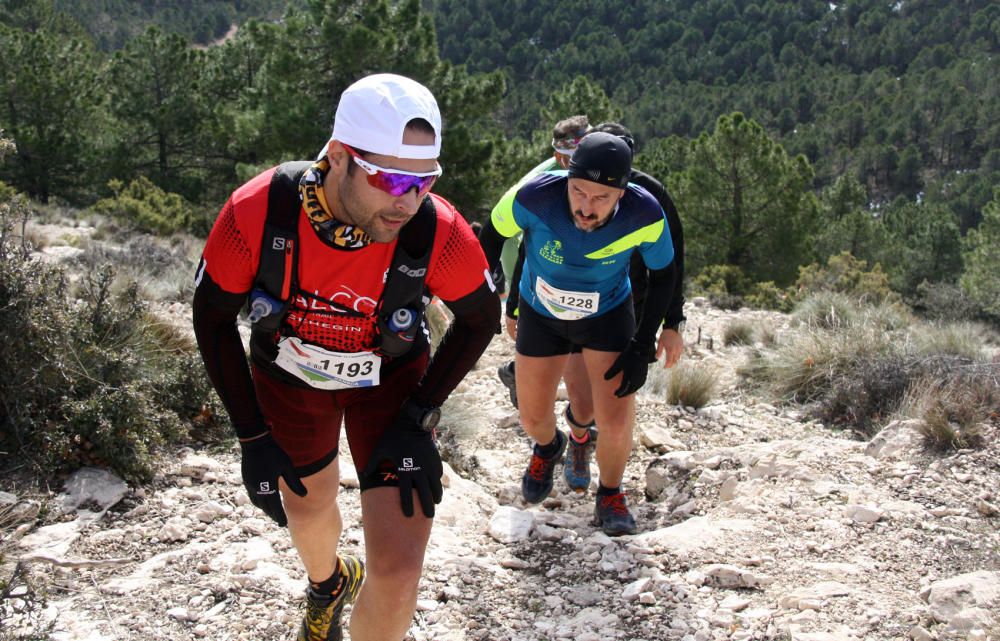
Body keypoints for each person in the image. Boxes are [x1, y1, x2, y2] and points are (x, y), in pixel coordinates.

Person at [192, 73, 499, 641]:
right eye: (389, 177)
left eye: (424, 181)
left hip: (390, 386)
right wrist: (251, 437)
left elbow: (482, 318)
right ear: (337, 157)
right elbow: (211, 317)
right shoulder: (259, 212)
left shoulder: (438, 230)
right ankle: (329, 584)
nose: (407, 201)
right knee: (307, 514)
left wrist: (421, 413)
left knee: (400, 572)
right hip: (289, 379)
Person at [478, 132, 677, 536]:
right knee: (533, 416)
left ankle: (610, 494)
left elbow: (665, 274)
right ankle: (549, 447)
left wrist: (643, 344)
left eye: (601, 197)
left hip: (606, 316)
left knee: (617, 419)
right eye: (579, 191)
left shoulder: (645, 212)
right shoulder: (533, 196)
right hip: (542, 314)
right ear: (566, 176)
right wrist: (492, 276)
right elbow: (493, 233)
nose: (587, 207)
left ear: (623, 191)